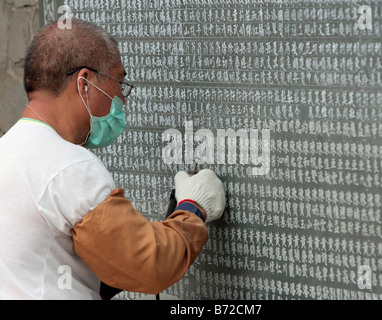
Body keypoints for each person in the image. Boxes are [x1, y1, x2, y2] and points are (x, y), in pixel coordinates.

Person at [0, 18, 226, 300]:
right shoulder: (68, 166)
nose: (122, 96)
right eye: (119, 82)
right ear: (84, 83)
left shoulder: (8, 150)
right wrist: (194, 208)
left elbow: (62, 263)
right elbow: (149, 265)